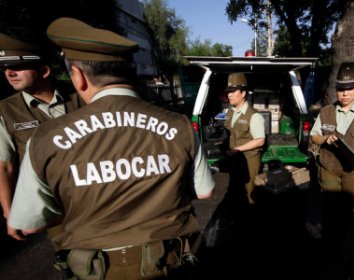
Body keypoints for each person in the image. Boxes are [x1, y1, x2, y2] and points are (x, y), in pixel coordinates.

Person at [7, 17, 215, 279]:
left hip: (96, 268)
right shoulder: (180, 126)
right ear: (131, 73)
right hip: (172, 263)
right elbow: (206, 192)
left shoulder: (44, 138)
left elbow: (29, 223)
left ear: (79, 77)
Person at [0, 32, 83, 222]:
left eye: (18, 67)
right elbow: (4, 166)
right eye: (5, 68)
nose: (9, 73)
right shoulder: (6, 110)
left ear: (44, 71)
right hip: (53, 209)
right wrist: (9, 211)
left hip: (95, 195)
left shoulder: (79, 97)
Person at [310, 61, 354, 279]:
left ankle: (339, 246)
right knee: (331, 209)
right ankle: (328, 252)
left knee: (345, 211)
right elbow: (314, 136)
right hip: (329, 168)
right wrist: (325, 137)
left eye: (349, 88)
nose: (344, 93)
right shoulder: (326, 112)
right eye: (340, 88)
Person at [223, 72, 265, 204]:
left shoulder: (254, 116)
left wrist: (237, 149)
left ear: (243, 93)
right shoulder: (230, 111)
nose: (229, 94)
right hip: (234, 157)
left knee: (249, 192)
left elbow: (260, 140)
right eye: (228, 91)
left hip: (248, 160)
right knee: (236, 189)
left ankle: (248, 220)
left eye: (233, 91)